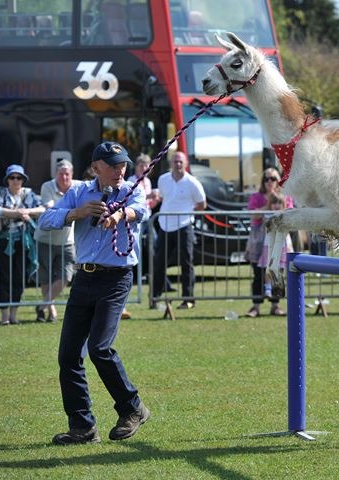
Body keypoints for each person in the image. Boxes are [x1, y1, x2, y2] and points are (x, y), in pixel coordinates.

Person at [37, 141, 150, 445]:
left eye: (122, 164)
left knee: (100, 348)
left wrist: (120, 215)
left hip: (116, 279)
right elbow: (45, 219)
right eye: (113, 165)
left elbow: (143, 211)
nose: (119, 170)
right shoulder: (78, 191)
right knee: (69, 355)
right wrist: (76, 212)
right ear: (96, 167)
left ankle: (132, 408)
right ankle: (83, 427)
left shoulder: (133, 188)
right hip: (83, 279)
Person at [0, 165, 44, 325]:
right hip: (4, 240)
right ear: (7, 180)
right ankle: (5, 316)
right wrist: (17, 213)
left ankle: (14, 315)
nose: (15, 181)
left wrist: (28, 212)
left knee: (19, 277)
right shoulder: (1, 192)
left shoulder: (28, 193)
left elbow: (42, 208)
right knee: (4, 277)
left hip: (23, 242)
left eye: (19, 178)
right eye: (12, 178)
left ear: (23, 180)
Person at [151, 151, 206, 309]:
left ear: (186, 163)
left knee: (186, 263)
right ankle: (154, 297)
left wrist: (188, 210)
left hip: (184, 225)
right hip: (165, 225)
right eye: (175, 161)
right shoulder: (163, 179)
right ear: (171, 163)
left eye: (181, 161)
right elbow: (162, 197)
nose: (178, 164)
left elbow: (202, 204)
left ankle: (188, 299)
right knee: (159, 262)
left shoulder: (192, 182)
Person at [33, 160, 80, 323]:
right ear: (55, 174)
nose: (64, 177)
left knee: (67, 275)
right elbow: (50, 209)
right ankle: (50, 311)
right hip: (45, 238)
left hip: (67, 241)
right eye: (61, 173)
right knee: (45, 277)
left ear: (72, 175)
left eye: (67, 174)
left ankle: (41, 306)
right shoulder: (47, 186)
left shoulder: (78, 187)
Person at [244, 167, 293, 318]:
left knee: (277, 273)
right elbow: (253, 216)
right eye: (266, 179)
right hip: (259, 241)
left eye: (273, 179)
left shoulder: (286, 196)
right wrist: (268, 204)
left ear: (279, 181)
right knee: (258, 274)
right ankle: (256, 306)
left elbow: (290, 214)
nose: (269, 182)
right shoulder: (256, 197)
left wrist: (278, 201)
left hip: (280, 242)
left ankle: (275, 305)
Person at [121, 153, 159, 319]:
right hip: (137, 222)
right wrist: (151, 196)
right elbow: (136, 200)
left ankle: (151, 280)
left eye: (147, 165)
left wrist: (154, 201)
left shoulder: (148, 181)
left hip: (148, 218)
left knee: (154, 247)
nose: (144, 168)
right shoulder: (131, 181)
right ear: (136, 167)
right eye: (142, 165)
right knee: (133, 249)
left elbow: (147, 204)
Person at [254, 191, 293, 316]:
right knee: (268, 267)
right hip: (268, 245)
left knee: (279, 270)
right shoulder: (267, 214)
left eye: (279, 203)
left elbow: (287, 231)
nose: (276, 205)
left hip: (281, 247)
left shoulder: (285, 215)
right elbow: (262, 223)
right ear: (270, 204)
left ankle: (276, 301)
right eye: (274, 203)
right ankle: (267, 288)